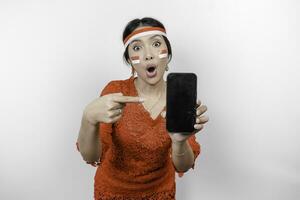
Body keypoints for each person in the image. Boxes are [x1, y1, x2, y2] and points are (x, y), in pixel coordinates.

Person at [76, 17, 209, 200]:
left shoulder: (178, 97)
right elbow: (91, 156)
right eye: (137, 48)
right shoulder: (116, 91)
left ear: (168, 54)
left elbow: (183, 166)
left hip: (160, 193)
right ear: (130, 61)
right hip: (112, 193)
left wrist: (179, 142)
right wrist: (88, 119)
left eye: (156, 43)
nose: (148, 55)